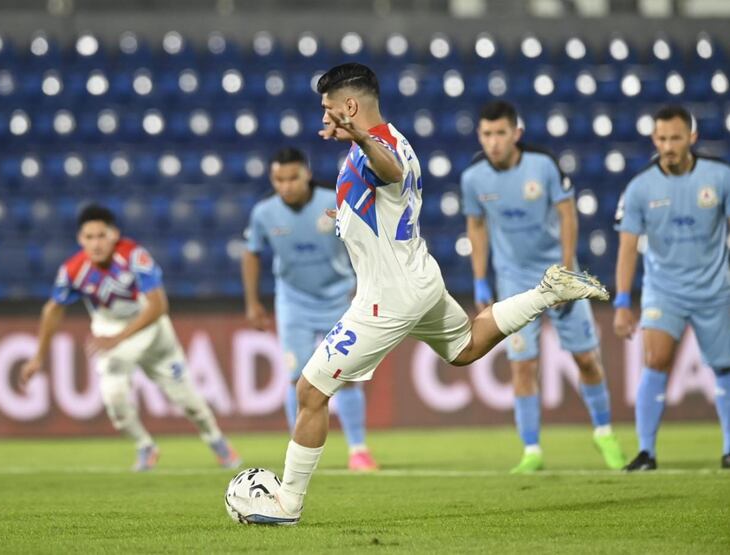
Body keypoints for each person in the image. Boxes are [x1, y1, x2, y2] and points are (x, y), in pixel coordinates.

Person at [226, 63, 609, 525]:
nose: (324, 118)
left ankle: (287, 504)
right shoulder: (398, 139)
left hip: (387, 295)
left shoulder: (379, 146)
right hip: (419, 278)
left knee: (310, 390)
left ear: (351, 107)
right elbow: (383, 191)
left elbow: (385, 168)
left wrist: (360, 138)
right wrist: (348, 210)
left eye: (329, 109)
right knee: (465, 347)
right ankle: (547, 292)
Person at [460, 100, 626, 473]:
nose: (494, 141)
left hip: (558, 274)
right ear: (479, 136)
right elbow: (476, 227)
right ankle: (532, 450)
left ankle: (603, 431)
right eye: (487, 134)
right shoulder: (473, 178)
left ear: (516, 133)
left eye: (501, 132)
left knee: (586, 359)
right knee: (523, 365)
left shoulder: (543, 165)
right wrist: (480, 279)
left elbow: (568, 214)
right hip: (515, 281)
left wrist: (567, 272)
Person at [18, 204, 241, 472]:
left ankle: (217, 441)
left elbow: (158, 306)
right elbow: (52, 310)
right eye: (89, 237)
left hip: (153, 332)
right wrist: (38, 357)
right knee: (114, 398)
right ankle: (145, 446)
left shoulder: (134, 256)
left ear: (114, 235)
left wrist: (120, 338)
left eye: (101, 236)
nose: (96, 243)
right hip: (110, 332)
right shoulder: (73, 270)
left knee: (188, 401)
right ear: (80, 240)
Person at [241, 146, 378, 471]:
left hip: (338, 299)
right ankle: (299, 452)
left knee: (345, 377)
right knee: (297, 378)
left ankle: (358, 450)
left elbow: (365, 242)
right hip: (293, 303)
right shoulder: (264, 213)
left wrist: (365, 284)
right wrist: (252, 302)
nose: (285, 185)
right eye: (279, 179)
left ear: (307, 174)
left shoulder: (333, 202)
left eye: (292, 178)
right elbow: (251, 253)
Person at [614, 105, 730, 471]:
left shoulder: (720, 177)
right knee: (656, 361)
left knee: (725, 367)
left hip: (715, 288)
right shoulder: (640, 188)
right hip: (665, 291)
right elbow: (627, 247)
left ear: (691, 138)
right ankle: (647, 451)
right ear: (654, 139)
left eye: (675, 138)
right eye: (662, 138)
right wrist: (621, 301)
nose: (668, 146)